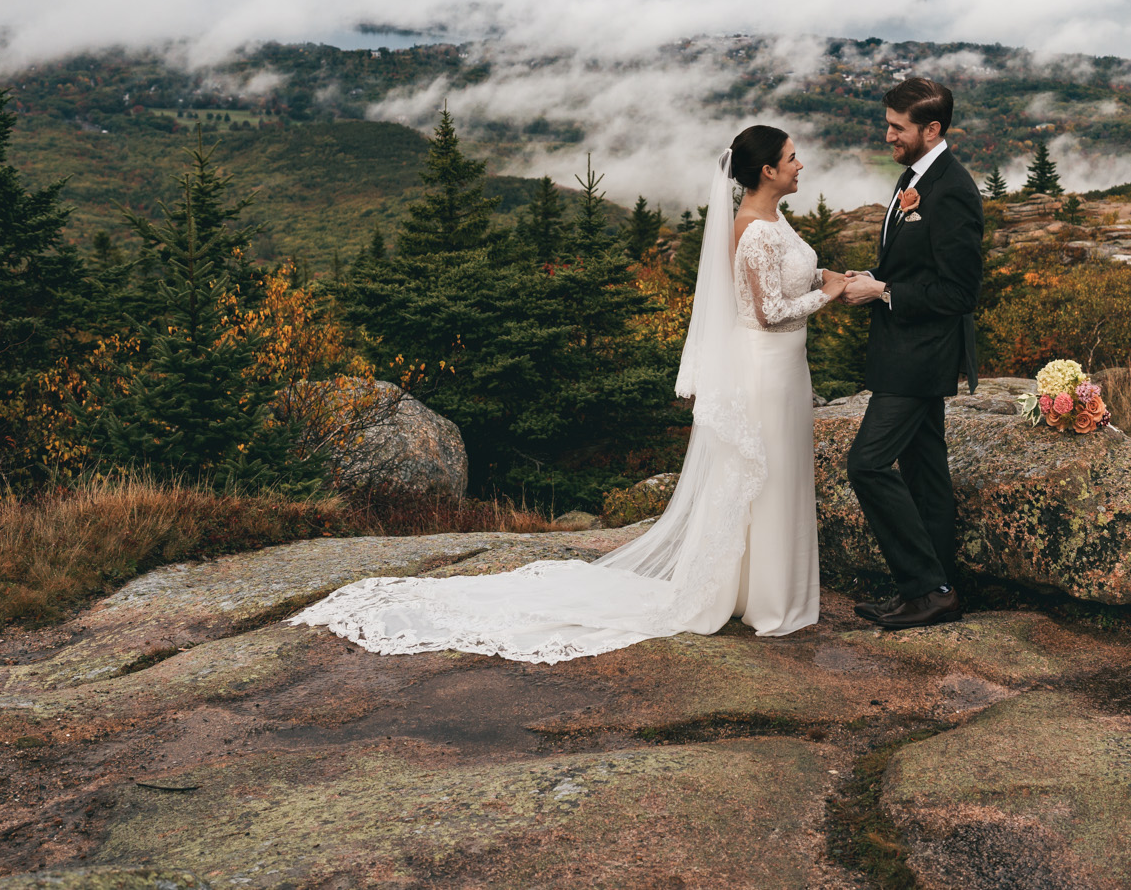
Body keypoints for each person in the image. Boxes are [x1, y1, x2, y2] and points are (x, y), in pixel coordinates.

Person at [291, 125, 846, 663]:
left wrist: (829, 280)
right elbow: (771, 313)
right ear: (768, 170)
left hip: (783, 368)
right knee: (764, 478)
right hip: (766, 368)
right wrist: (833, 295)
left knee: (772, 476)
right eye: (793, 157)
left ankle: (758, 592)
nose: (801, 165)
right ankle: (771, 604)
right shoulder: (755, 229)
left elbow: (782, 287)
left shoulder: (773, 221)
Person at [839, 77, 983, 631]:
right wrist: (874, 277)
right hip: (904, 349)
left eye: (898, 128)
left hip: (922, 355)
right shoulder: (916, 176)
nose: (888, 136)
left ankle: (927, 587)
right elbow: (913, 268)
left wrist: (884, 292)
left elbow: (959, 293)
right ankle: (935, 590)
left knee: (868, 464)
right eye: (888, 125)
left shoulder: (953, 190)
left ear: (932, 129)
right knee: (926, 473)